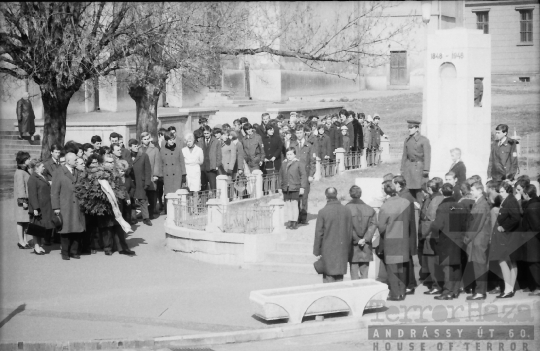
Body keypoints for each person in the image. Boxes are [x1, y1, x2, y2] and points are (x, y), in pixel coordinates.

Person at [377, 180, 413, 301]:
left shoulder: (385, 206)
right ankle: (402, 291)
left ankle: (395, 293)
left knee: (392, 268)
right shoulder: (406, 202)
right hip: (404, 237)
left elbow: (381, 226)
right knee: (402, 266)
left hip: (391, 238)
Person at [431, 183, 467, 300]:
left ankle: (447, 291)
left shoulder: (442, 207)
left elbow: (437, 225)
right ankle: (455, 290)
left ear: (441, 192)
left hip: (446, 240)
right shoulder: (460, 206)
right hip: (459, 239)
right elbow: (465, 224)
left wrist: (433, 231)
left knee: (447, 267)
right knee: (456, 266)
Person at [489, 181, 521, 298]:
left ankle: (508, 289)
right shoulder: (508, 199)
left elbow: (516, 217)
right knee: (511, 262)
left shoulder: (510, 200)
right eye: (500, 191)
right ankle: (510, 288)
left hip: (509, 236)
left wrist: (504, 226)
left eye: (502, 191)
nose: (501, 194)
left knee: (503, 260)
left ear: (507, 190)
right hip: (510, 236)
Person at [313, 187, 353, 283]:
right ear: (336, 195)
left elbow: (319, 233)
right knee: (340, 277)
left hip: (328, 249)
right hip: (342, 248)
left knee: (328, 277)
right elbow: (350, 231)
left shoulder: (323, 212)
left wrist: (317, 251)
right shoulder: (346, 210)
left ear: (326, 196)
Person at [51, 153, 86, 260]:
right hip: (65, 206)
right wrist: (56, 207)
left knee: (77, 229)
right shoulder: (58, 172)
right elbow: (54, 192)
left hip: (77, 206)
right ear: (68, 161)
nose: (77, 161)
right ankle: (65, 253)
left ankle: (74, 251)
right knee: (65, 230)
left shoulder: (78, 172)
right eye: (75, 160)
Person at [463, 182, 492, 300]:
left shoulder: (480, 205)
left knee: (479, 265)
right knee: (478, 265)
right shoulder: (480, 203)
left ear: (480, 190)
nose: (471, 192)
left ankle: (480, 292)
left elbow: (476, 225)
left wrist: (467, 238)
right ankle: (479, 290)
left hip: (478, 240)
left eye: (473, 190)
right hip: (478, 238)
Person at [393, 175, 419, 295]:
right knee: (407, 259)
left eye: (394, 184)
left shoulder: (405, 197)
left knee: (407, 260)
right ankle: (410, 283)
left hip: (406, 233)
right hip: (406, 232)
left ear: (398, 185)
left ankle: (410, 284)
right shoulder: (405, 195)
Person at [346, 185, 377, 280]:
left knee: (354, 274)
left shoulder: (346, 209)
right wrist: (365, 239)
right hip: (366, 245)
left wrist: (357, 239)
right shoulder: (370, 209)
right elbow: (373, 225)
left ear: (350, 194)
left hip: (352, 245)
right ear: (361, 194)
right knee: (365, 274)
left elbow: (347, 227)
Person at [419, 180, 444, 294]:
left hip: (431, 235)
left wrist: (423, 234)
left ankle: (436, 286)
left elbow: (430, 219)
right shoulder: (442, 197)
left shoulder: (434, 201)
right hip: (440, 235)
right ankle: (437, 284)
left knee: (432, 262)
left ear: (429, 189)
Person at [400, 120, 431, 205]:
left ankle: (420, 211)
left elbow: (427, 156)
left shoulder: (424, 140)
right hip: (409, 168)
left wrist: (426, 170)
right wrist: (402, 169)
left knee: (419, 192)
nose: (409, 130)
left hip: (419, 169)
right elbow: (404, 156)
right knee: (408, 191)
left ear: (417, 128)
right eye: (408, 128)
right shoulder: (407, 140)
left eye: (411, 128)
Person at [27, 159, 54, 255]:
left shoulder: (42, 176)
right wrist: (35, 208)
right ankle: (36, 247)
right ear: (36, 168)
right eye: (42, 166)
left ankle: (39, 245)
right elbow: (32, 195)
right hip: (39, 207)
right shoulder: (33, 179)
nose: (44, 167)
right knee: (36, 227)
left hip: (45, 206)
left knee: (41, 227)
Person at [279, 147, 307, 229]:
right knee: (288, 204)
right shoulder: (284, 164)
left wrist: (302, 187)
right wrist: (280, 187)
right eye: (288, 154)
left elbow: (303, 175)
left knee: (294, 204)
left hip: (295, 187)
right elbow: (280, 176)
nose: (289, 156)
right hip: (286, 187)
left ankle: (295, 221)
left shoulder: (298, 163)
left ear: (294, 155)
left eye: (291, 154)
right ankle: (290, 220)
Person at [128, 139, 153, 226]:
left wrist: (147, 183)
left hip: (140, 181)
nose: (136, 148)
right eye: (134, 146)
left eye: (137, 146)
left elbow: (148, 170)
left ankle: (146, 218)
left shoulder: (143, 155)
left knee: (143, 199)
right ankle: (133, 218)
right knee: (131, 199)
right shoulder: (127, 156)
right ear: (130, 147)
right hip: (131, 182)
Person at [521, 184, 540, 296]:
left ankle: (538, 287)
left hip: (533, 240)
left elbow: (536, 226)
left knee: (534, 265)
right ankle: (533, 286)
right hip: (534, 239)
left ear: (527, 194)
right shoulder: (536, 204)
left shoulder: (531, 207)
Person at [294, 126, 315, 225]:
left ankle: (303, 217)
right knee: (295, 197)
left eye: (300, 132)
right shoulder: (292, 145)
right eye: (297, 133)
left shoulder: (309, 146)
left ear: (304, 133)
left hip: (305, 175)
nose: (298, 134)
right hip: (295, 175)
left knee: (304, 197)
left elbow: (312, 162)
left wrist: (311, 175)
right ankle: (296, 217)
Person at [160, 131, 186, 210]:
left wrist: (184, 174)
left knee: (177, 193)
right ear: (166, 140)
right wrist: (161, 175)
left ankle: (177, 210)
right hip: (167, 175)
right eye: (170, 140)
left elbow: (182, 161)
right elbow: (160, 163)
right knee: (168, 194)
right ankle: (167, 211)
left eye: (173, 139)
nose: (172, 141)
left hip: (177, 175)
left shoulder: (178, 149)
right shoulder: (162, 150)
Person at [139, 132, 162, 218]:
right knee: (143, 196)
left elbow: (157, 163)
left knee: (152, 195)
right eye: (144, 139)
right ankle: (145, 214)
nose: (146, 141)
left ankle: (151, 212)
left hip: (151, 175)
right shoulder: (139, 149)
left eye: (148, 138)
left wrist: (156, 175)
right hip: (141, 176)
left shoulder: (155, 149)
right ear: (141, 140)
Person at [14, 151, 32, 249]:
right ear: (24, 160)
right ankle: (21, 241)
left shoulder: (24, 170)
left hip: (26, 200)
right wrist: (23, 201)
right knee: (21, 221)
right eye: (28, 159)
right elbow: (21, 188)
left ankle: (24, 240)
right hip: (22, 201)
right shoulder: (20, 172)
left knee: (25, 221)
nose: (30, 160)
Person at [198, 125, 222, 191]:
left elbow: (219, 155)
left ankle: (214, 200)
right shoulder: (200, 141)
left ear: (210, 132)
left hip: (212, 167)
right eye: (205, 133)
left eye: (207, 133)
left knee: (213, 186)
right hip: (203, 167)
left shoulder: (216, 141)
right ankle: (204, 200)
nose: (206, 135)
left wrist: (217, 165)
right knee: (203, 187)